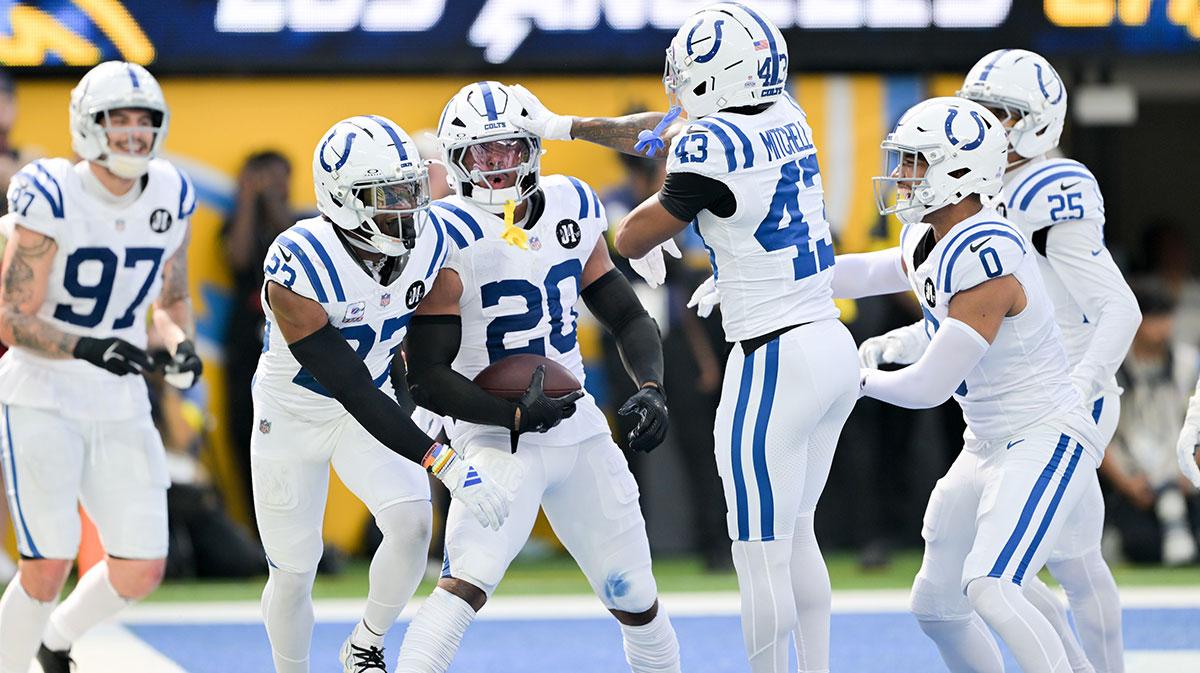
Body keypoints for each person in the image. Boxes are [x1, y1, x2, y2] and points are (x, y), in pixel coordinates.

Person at [507, 4, 860, 670]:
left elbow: (634, 234)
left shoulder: (710, 143)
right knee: (800, 535)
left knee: (759, 551)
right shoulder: (789, 116)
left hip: (775, 357)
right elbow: (662, 135)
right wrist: (561, 126)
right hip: (827, 339)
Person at [854, 49, 1138, 673]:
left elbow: (1118, 309)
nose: (983, 121)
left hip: (1055, 394)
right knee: (1004, 571)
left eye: (1001, 112)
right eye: (978, 107)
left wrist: (1081, 391)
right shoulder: (948, 215)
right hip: (993, 400)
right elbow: (951, 306)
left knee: (1045, 564)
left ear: (1037, 121)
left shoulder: (1048, 188)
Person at [395, 81, 680, 673]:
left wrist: (651, 385)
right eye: (482, 153)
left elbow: (626, 314)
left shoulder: (573, 203)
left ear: (534, 145)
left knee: (637, 596)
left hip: (576, 429)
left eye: (509, 147)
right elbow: (425, 377)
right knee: (464, 585)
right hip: (492, 434)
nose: (497, 165)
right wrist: (512, 415)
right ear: (457, 159)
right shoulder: (445, 233)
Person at [250, 115, 518, 673]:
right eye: (388, 194)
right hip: (297, 414)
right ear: (343, 200)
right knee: (296, 568)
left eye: (410, 189)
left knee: (414, 526)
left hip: (366, 404)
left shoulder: (436, 234)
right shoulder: (298, 263)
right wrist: (444, 460)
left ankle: (365, 644)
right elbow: (350, 389)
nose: (405, 205)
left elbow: (517, 218)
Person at [0, 61, 203, 673]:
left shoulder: (171, 191)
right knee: (47, 562)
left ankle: (54, 639)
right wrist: (89, 346)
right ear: (90, 124)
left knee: (140, 567)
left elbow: (171, 298)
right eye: (120, 119)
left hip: (118, 399)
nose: (134, 133)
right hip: (43, 393)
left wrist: (178, 345)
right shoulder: (52, 191)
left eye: (145, 120)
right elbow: (12, 315)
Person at [221, 150, 294, 523]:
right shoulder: (236, 223)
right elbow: (237, 258)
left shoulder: (302, 226)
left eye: (276, 176)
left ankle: (291, 526)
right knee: (244, 435)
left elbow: (293, 250)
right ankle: (255, 531)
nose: (270, 184)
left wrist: (270, 200)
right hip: (244, 348)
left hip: (289, 350)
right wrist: (248, 200)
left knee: (288, 441)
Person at [1111, 283, 1200, 565]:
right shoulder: (1112, 364)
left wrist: (1192, 470)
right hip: (1132, 478)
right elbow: (1097, 433)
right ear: (1137, 319)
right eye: (1155, 317)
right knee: (1142, 548)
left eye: (1167, 316)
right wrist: (1126, 483)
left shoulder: (1187, 362)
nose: (1163, 326)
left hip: (1182, 475)